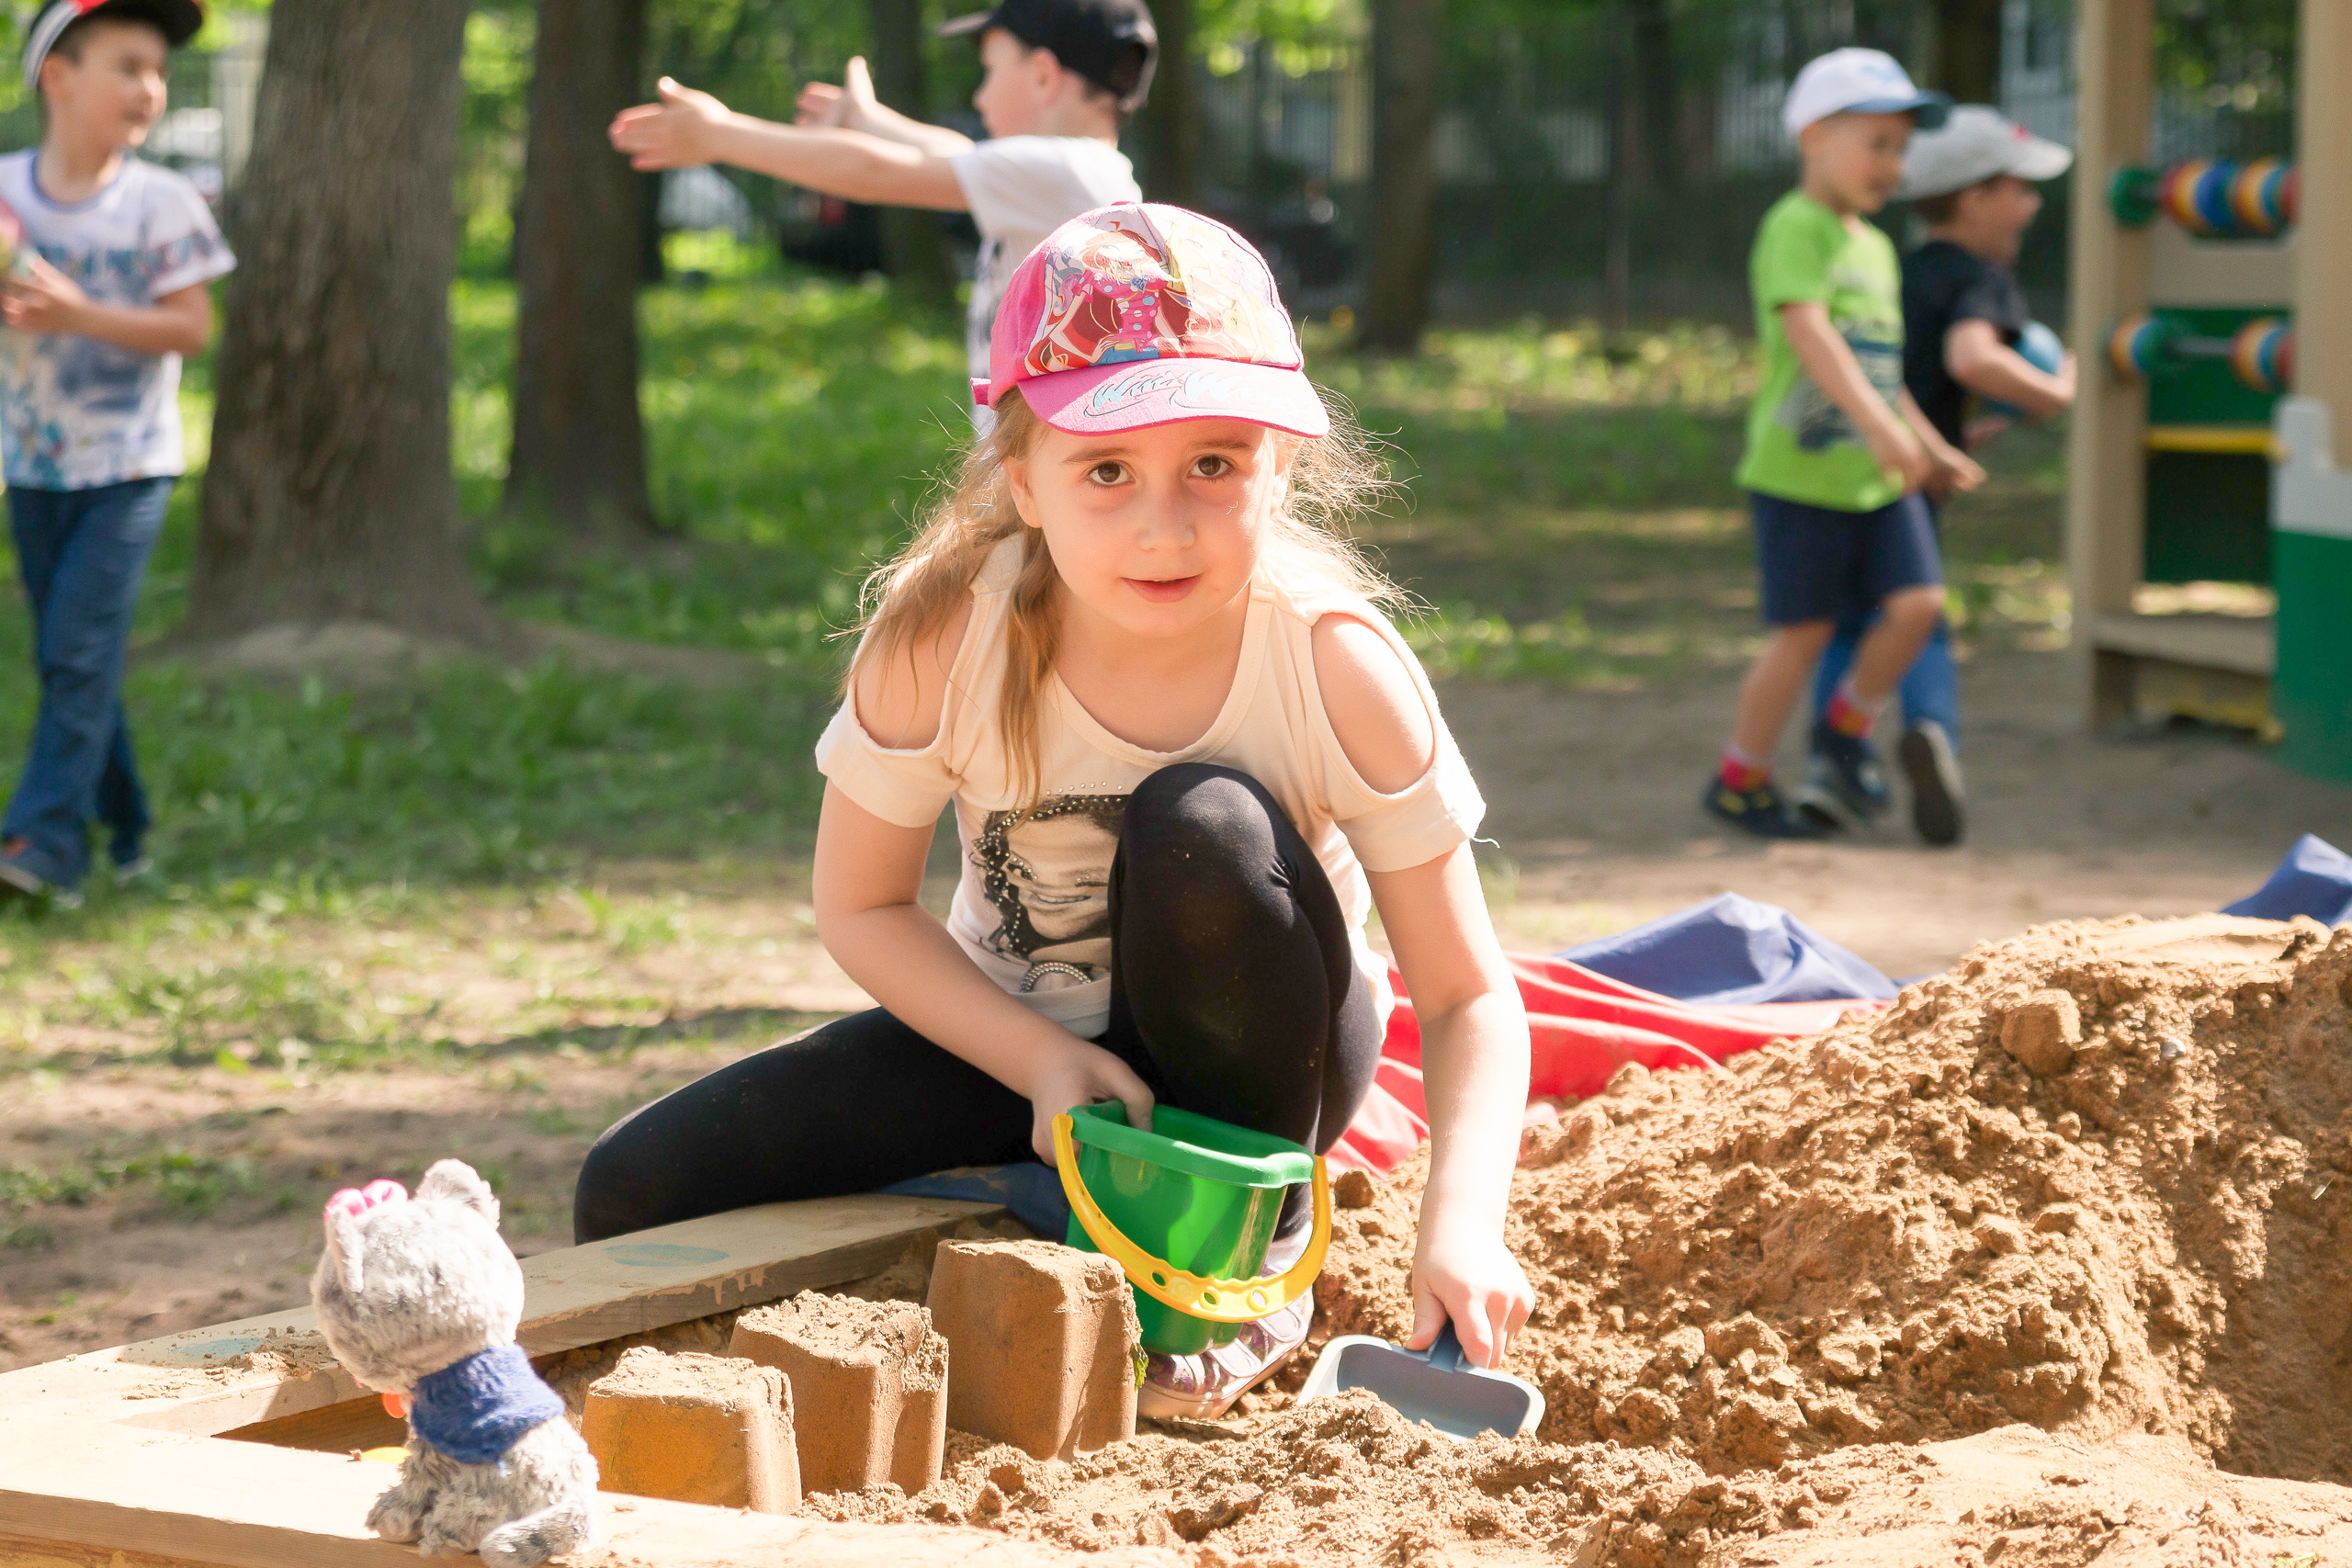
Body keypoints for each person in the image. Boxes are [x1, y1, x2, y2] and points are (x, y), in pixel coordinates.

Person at [574, 203, 1536, 1418]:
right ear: (1022, 478)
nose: (1164, 521)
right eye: (1106, 469)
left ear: (1281, 465)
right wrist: (1039, 1060)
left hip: (1258, 1055)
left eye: (1215, 463)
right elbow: (862, 904)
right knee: (630, 1193)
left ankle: (1231, 1257)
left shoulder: (1336, 661)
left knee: (1201, 822)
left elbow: (1466, 992)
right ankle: (1048, 1199)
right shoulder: (941, 634)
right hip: (1026, 1043)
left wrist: (1464, 1227)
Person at [610, 0, 1152, 430]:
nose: (980, 96)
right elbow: (952, 152)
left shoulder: (1063, 170)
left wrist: (721, 136)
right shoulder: (1074, 173)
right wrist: (867, 119)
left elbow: (877, 173)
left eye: (987, 72)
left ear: (1042, 77)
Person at [1706, 49, 1984, 840]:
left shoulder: (1875, 247)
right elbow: (1812, 333)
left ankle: (1844, 733)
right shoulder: (1796, 228)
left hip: (1877, 478)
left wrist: (1926, 443)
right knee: (1803, 635)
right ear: (1814, 139)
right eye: (1877, 144)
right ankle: (1740, 780)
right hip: (1800, 478)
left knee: (1919, 606)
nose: (1892, 164)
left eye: (1902, 149)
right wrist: (1881, 429)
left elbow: (1879, 364)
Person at [0, 0, 229, 907]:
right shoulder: (7, 192)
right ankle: (126, 826)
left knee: (77, 655)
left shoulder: (160, 201)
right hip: (30, 467)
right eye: (127, 65)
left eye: (158, 70)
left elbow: (192, 328)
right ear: (58, 77)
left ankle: (42, 846)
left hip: (129, 471)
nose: (150, 87)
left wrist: (76, 314)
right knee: (71, 655)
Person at [1803, 106, 2075, 847]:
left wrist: (1960, 426)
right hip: (1911, 479)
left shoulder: (1900, 267)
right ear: (1976, 197)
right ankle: (1930, 731)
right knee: (1922, 619)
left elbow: (1905, 369)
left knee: (1850, 623)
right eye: (2020, 188)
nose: (2033, 203)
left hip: (1850, 467)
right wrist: (2054, 390)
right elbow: (1970, 359)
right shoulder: (1984, 278)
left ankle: (1826, 771)